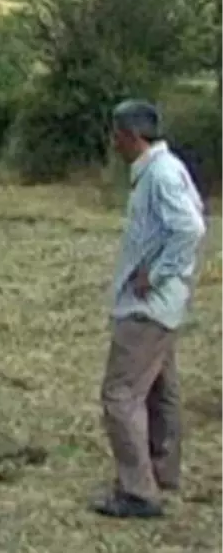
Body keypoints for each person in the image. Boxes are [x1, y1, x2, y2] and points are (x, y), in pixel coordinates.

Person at [94, 99, 207, 519]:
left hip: (147, 307)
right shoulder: (163, 169)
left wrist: (156, 273)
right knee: (161, 390)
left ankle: (138, 492)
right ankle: (162, 472)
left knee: (120, 395)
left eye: (116, 134)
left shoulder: (159, 173)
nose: (114, 143)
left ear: (131, 135)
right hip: (161, 307)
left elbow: (190, 228)